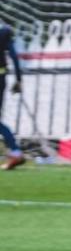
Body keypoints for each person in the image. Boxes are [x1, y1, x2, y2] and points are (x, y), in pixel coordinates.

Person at [0, 22, 25, 170]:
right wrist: (19, 79)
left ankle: (15, 152)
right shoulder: (4, 31)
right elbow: (14, 56)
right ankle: (15, 151)